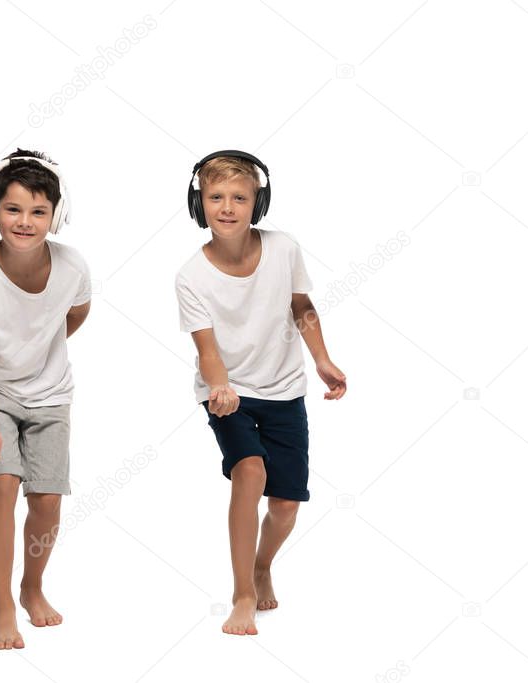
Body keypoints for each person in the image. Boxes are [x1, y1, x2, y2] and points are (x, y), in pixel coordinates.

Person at [175, 150, 347, 635]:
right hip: (228, 393)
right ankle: (242, 595)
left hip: (284, 390)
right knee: (248, 472)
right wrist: (219, 386)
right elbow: (206, 348)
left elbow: (302, 306)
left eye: (239, 197)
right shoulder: (191, 275)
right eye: (215, 197)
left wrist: (322, 359)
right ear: (198, 203)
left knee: (286, 504)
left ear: (258, 203)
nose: (227, 207)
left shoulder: (284, 249)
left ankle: (262, 564)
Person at [0, 149, 91, 649]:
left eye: (37, 211)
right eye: (13, 209)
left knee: (48, 499)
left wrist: (40, 348)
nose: (24, 222)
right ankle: (1, 606)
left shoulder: (73, 266)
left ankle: (32, 588)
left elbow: (75, 313)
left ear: (56, 215)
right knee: (3, 484)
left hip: (51, 393)